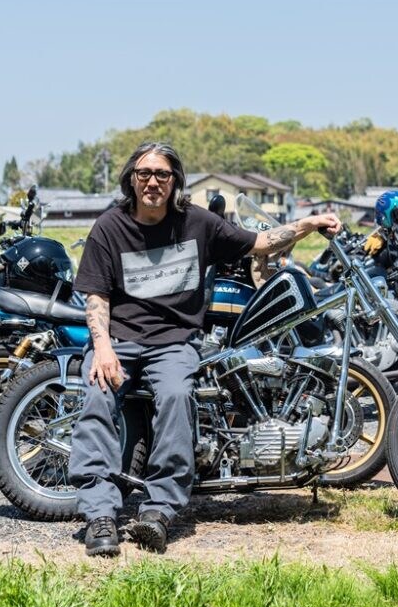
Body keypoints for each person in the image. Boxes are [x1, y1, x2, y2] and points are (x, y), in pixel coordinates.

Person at [68, 141, 342, 558]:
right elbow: (96, 296)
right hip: (118, 340)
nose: (153, 182)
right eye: (144, 174)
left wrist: (308, 223)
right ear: (131, 179)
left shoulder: (197, 222)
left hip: (174, 343)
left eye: (162, 174)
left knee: (177, 396)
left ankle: (158, 512)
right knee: (97, 395)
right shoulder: (110, 226)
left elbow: (261, 241)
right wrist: (102, 346)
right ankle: (100, 515)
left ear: (175, 180)